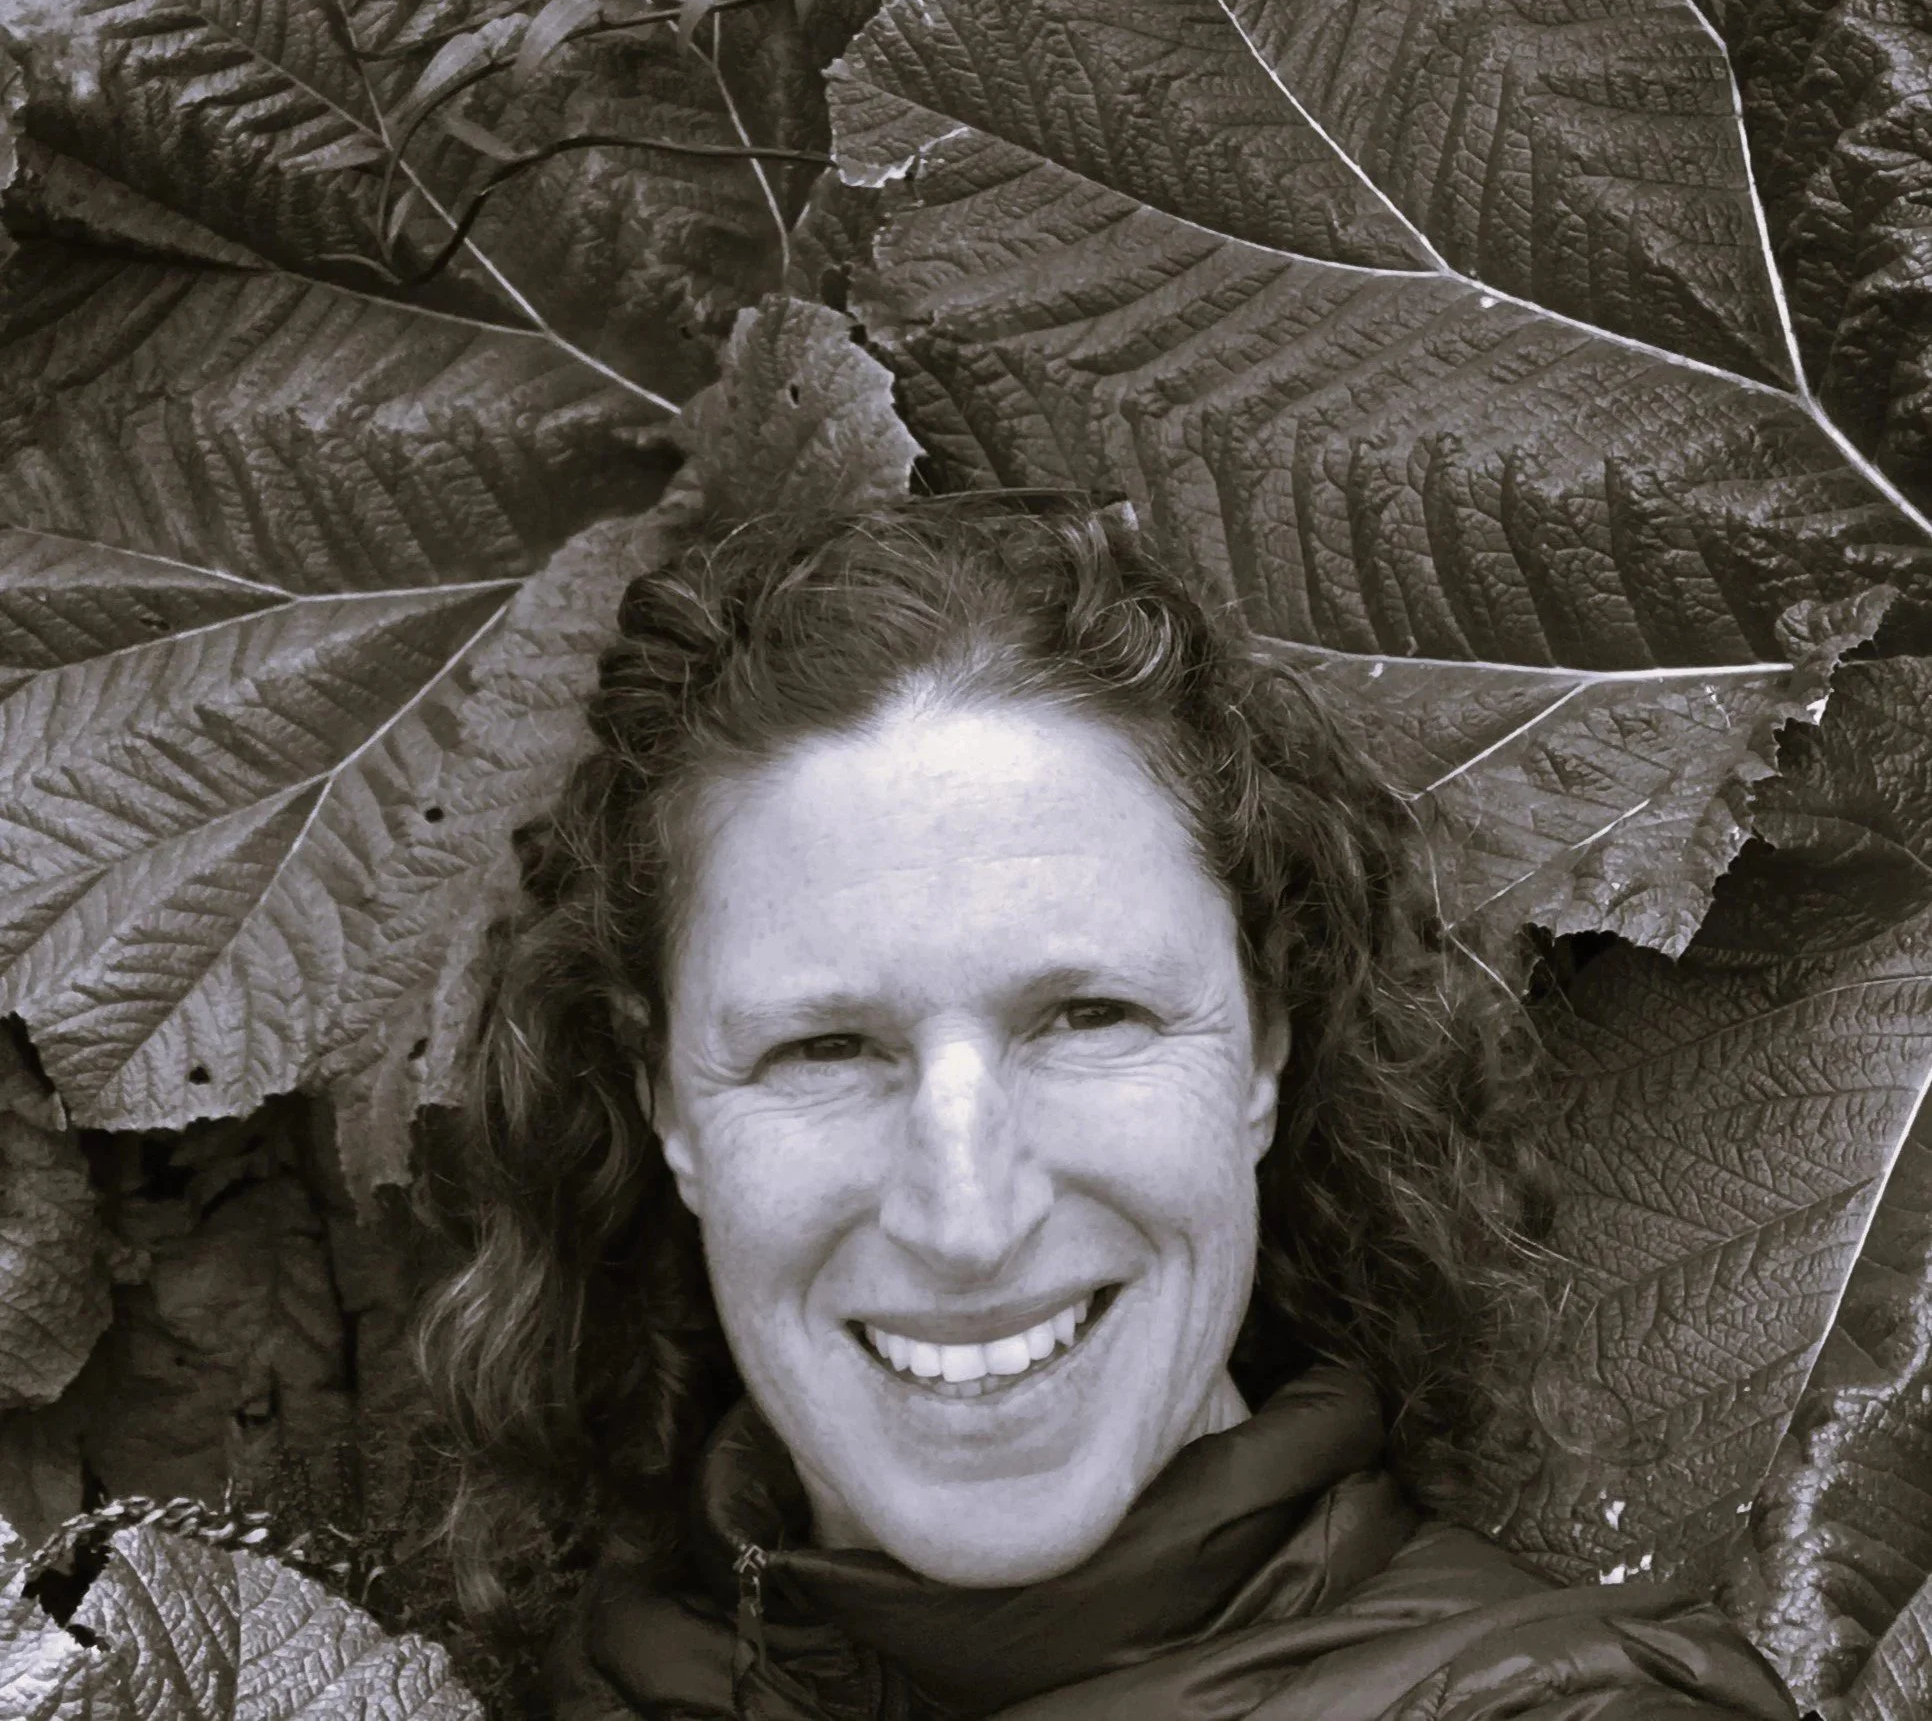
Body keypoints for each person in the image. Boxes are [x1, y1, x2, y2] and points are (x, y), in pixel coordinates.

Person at [414, 492, 1800, 1720]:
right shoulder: (553, 1688)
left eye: (1088, 1018)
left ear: (1262, 1051)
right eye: (826, 1048)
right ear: (666, 1106)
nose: (967, 1221)